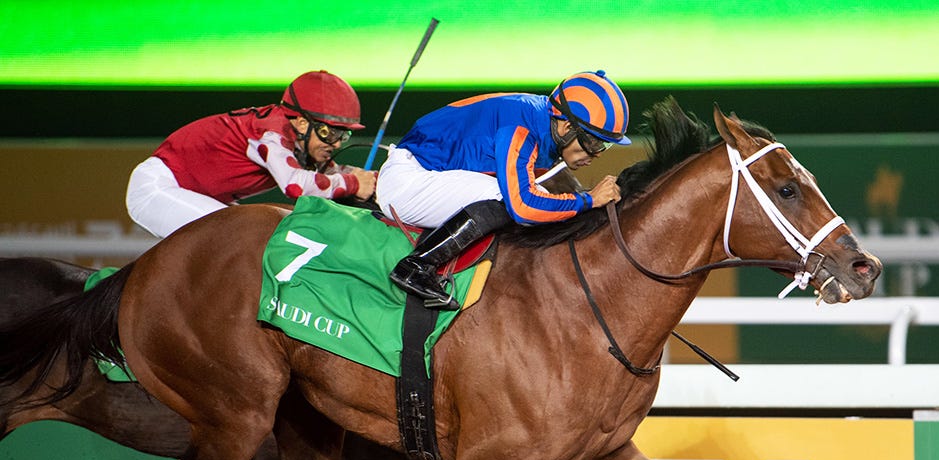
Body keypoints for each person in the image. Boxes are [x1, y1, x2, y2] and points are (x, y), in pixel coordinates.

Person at [376, 70, 630, 310]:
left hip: (427, 175)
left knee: (531, 197)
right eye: (594, 142)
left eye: (604, 146)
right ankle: (416, 265)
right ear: (567, 127)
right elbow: (523, 206)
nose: (597, 154)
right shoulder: (521, 128)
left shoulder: (539, 121)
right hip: (407, 183)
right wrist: (587, 200)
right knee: (506, 197)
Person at [126, 70, 376, 239]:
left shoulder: (296, 138)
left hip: (195, 193)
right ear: (302, 124)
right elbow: (296, 185)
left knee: (260, 232)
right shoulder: (271, 135)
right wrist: (353, 183)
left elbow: (328, 175)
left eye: (343, 135)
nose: (336, 143)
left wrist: (368, 179)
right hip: (157, 189)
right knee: (241, 235)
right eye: (329, 133)